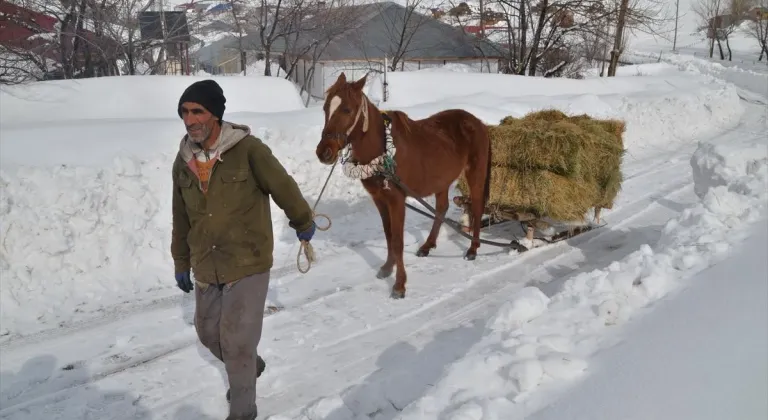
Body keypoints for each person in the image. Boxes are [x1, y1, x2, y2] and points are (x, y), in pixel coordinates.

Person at [170, 79, 317, 420]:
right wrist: (181, 260)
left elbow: (282, 185)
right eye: (184, 113)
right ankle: (250, 365)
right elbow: (181, 216)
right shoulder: (183, 162)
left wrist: (302, 220)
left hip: (247, 260)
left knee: (236, 343)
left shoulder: (249, 150)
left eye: (197, 111)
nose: (190, 119)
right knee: (208, 334)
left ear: (216, 115)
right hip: (206, 263)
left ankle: (243, 411)